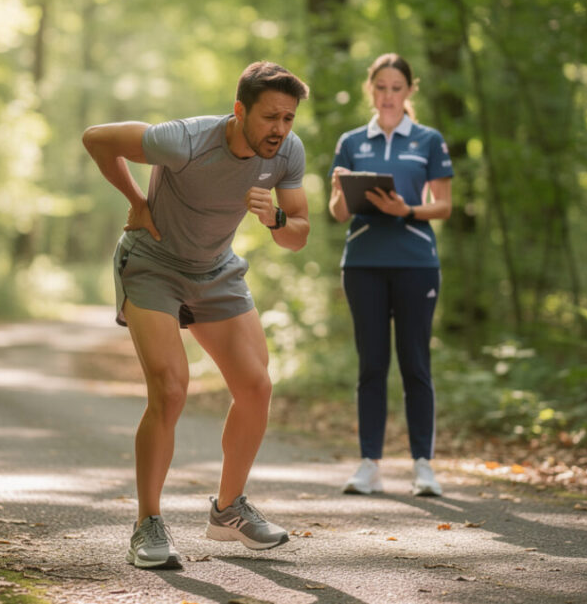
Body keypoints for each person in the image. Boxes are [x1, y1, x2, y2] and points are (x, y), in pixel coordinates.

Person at [82, 61, 310, 569]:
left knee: (256, 385)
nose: (280, 129)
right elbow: (97, 138)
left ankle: (228, 510)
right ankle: (147, 525)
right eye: (271, 116)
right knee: (171, 388)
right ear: (239, 111)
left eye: (289, 119)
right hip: (154, 263)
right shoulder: (183, 141)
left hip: (215, 271)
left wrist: (274, 217)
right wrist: (136, 200)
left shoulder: (287, 154)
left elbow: (298, 233)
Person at [327, 53, 454, 497]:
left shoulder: (428, 140)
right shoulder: (350, 142)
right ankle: (369, 463)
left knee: (416, 365)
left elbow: (444, 204)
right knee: (372, 366)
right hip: (363, 264)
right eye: (380, 87)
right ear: (371, 89)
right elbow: (338, 212)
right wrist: (339, 189)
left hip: (417, 264)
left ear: (409, 91)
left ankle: (423, 466)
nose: (387, 96)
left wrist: (408, 210)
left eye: (396, 87)